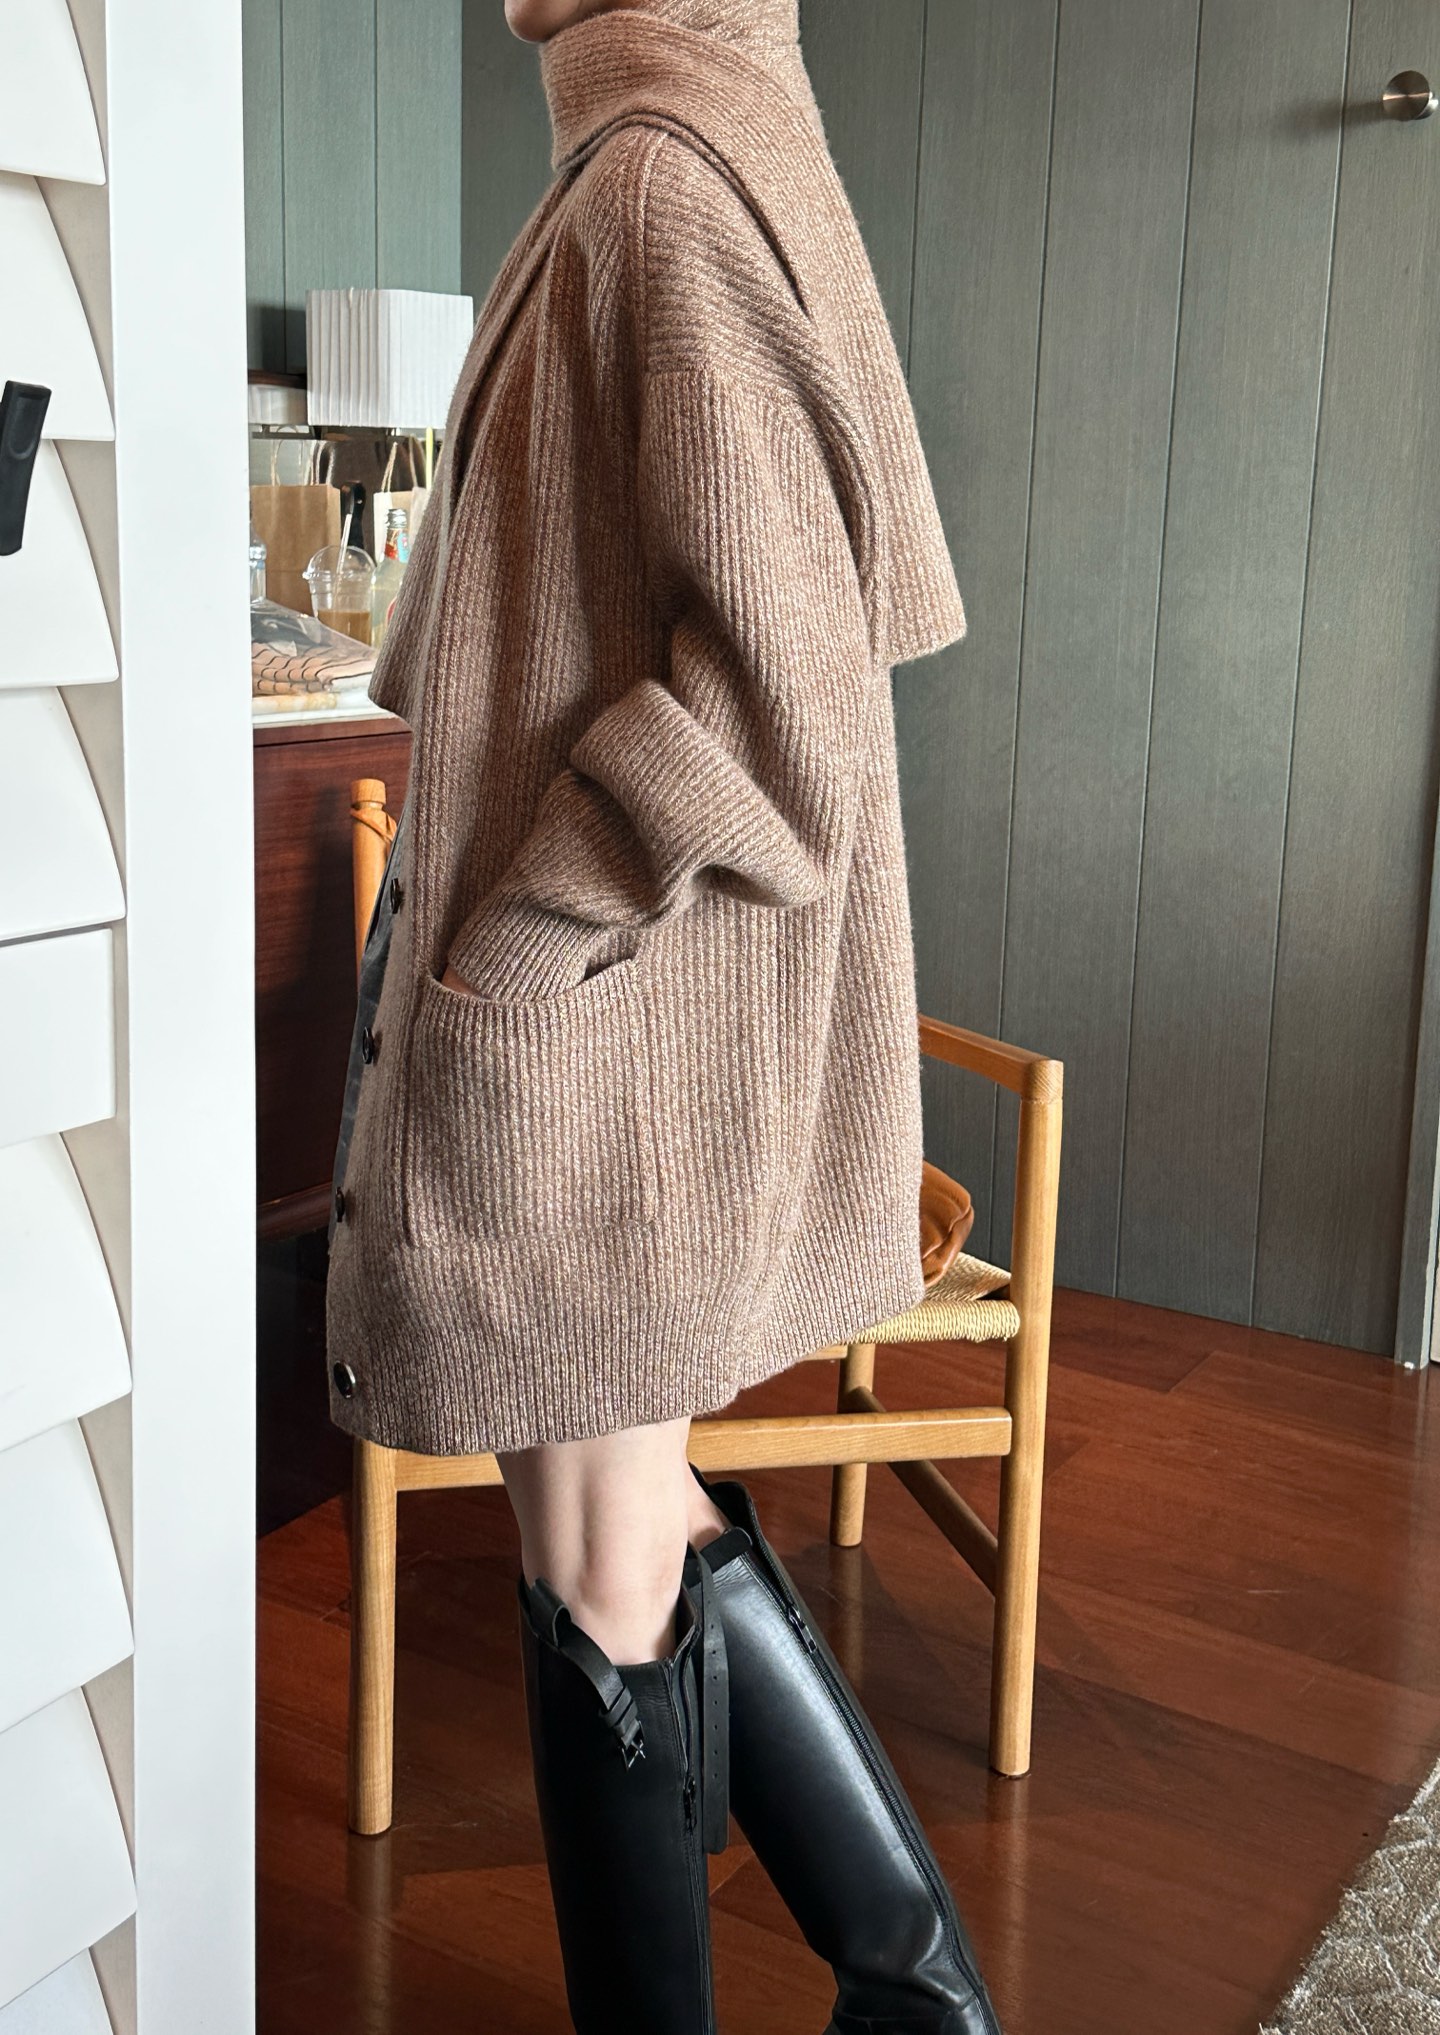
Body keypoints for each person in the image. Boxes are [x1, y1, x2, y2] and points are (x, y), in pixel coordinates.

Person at [325, 1, 1003, 2028]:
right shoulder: (691, 139)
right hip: (620, 1015)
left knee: (600, 1550)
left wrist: (530, 931)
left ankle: (916, 1994)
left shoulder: (656, 187)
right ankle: (916, 1996)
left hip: (607, 1020)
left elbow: (785, 701)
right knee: (605, 1522)